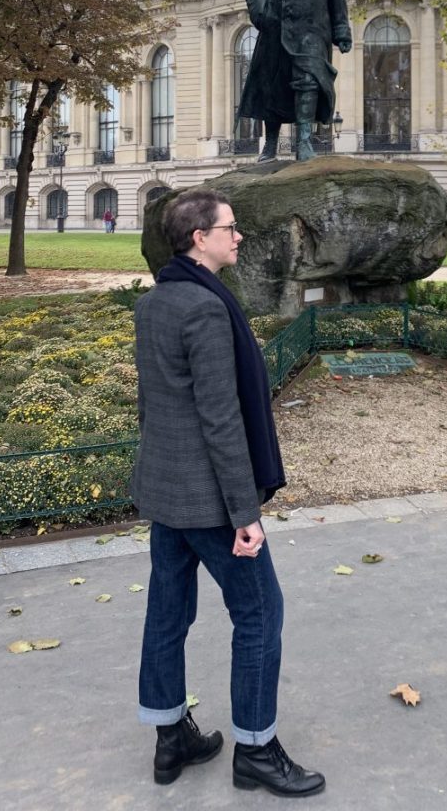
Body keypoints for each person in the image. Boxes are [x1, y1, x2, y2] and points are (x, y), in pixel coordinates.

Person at [132, 188, 325, 798]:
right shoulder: (207, 310)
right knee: (261, 612)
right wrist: (246, 513)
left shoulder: (156, 301)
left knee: (167, 612)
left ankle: (171, 739)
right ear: (199, 239)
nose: (238, 237)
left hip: (164, 489)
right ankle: (257, 749)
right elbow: (221, 419)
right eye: (230, 228)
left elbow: (157, 406)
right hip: (210, 501)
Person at [236, 0, 352, 162]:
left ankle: (304, 142)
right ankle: (271, 145)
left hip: (314, 32)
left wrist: (342, 31)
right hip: (276, 31)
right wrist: (263, 13)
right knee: (271, 87)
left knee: (308, 82)